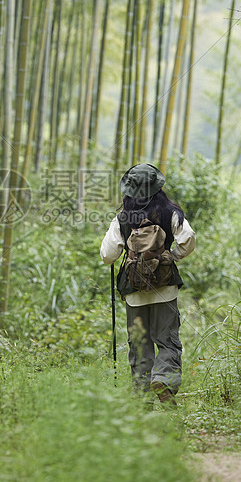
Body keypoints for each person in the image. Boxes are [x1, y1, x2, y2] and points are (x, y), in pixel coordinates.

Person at [100, 163, 196, 404]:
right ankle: (163, 380)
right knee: (168, 340)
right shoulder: (170, 212)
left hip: (134, 290)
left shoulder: (122, 217)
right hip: (165, 287)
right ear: (157, 188)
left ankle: (142, 399)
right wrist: (171, 256)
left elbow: (108, 255)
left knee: (139, 344)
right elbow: (188, 240)